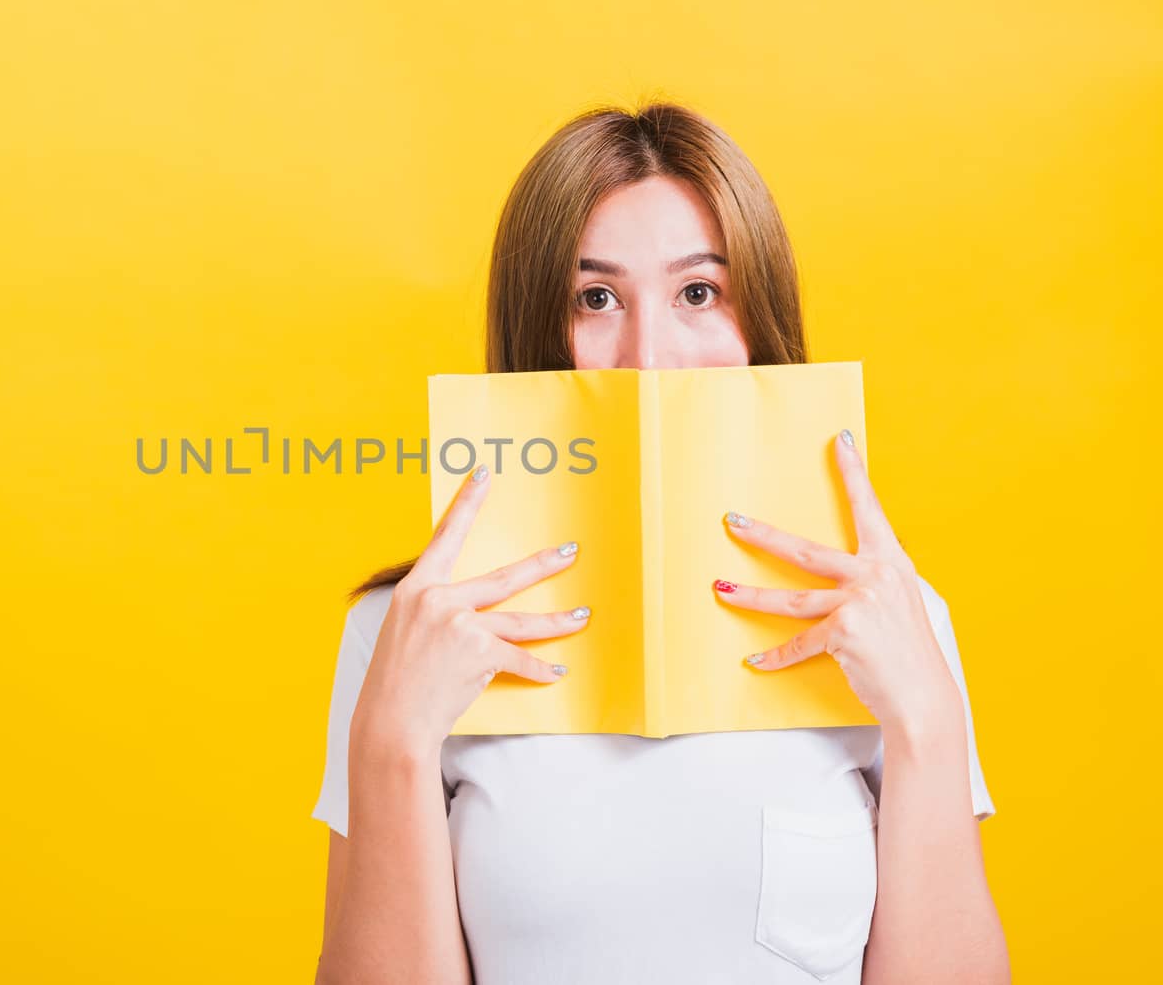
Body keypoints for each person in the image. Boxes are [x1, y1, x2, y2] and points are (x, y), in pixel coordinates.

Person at [310, 103, 1009, 984]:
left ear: (758, 324)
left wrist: (927, 720)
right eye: (595, 298)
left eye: (698, 293)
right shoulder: (406, 635)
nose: (650, 359)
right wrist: (393, 741)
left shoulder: (893, 624)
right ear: (537, 334)